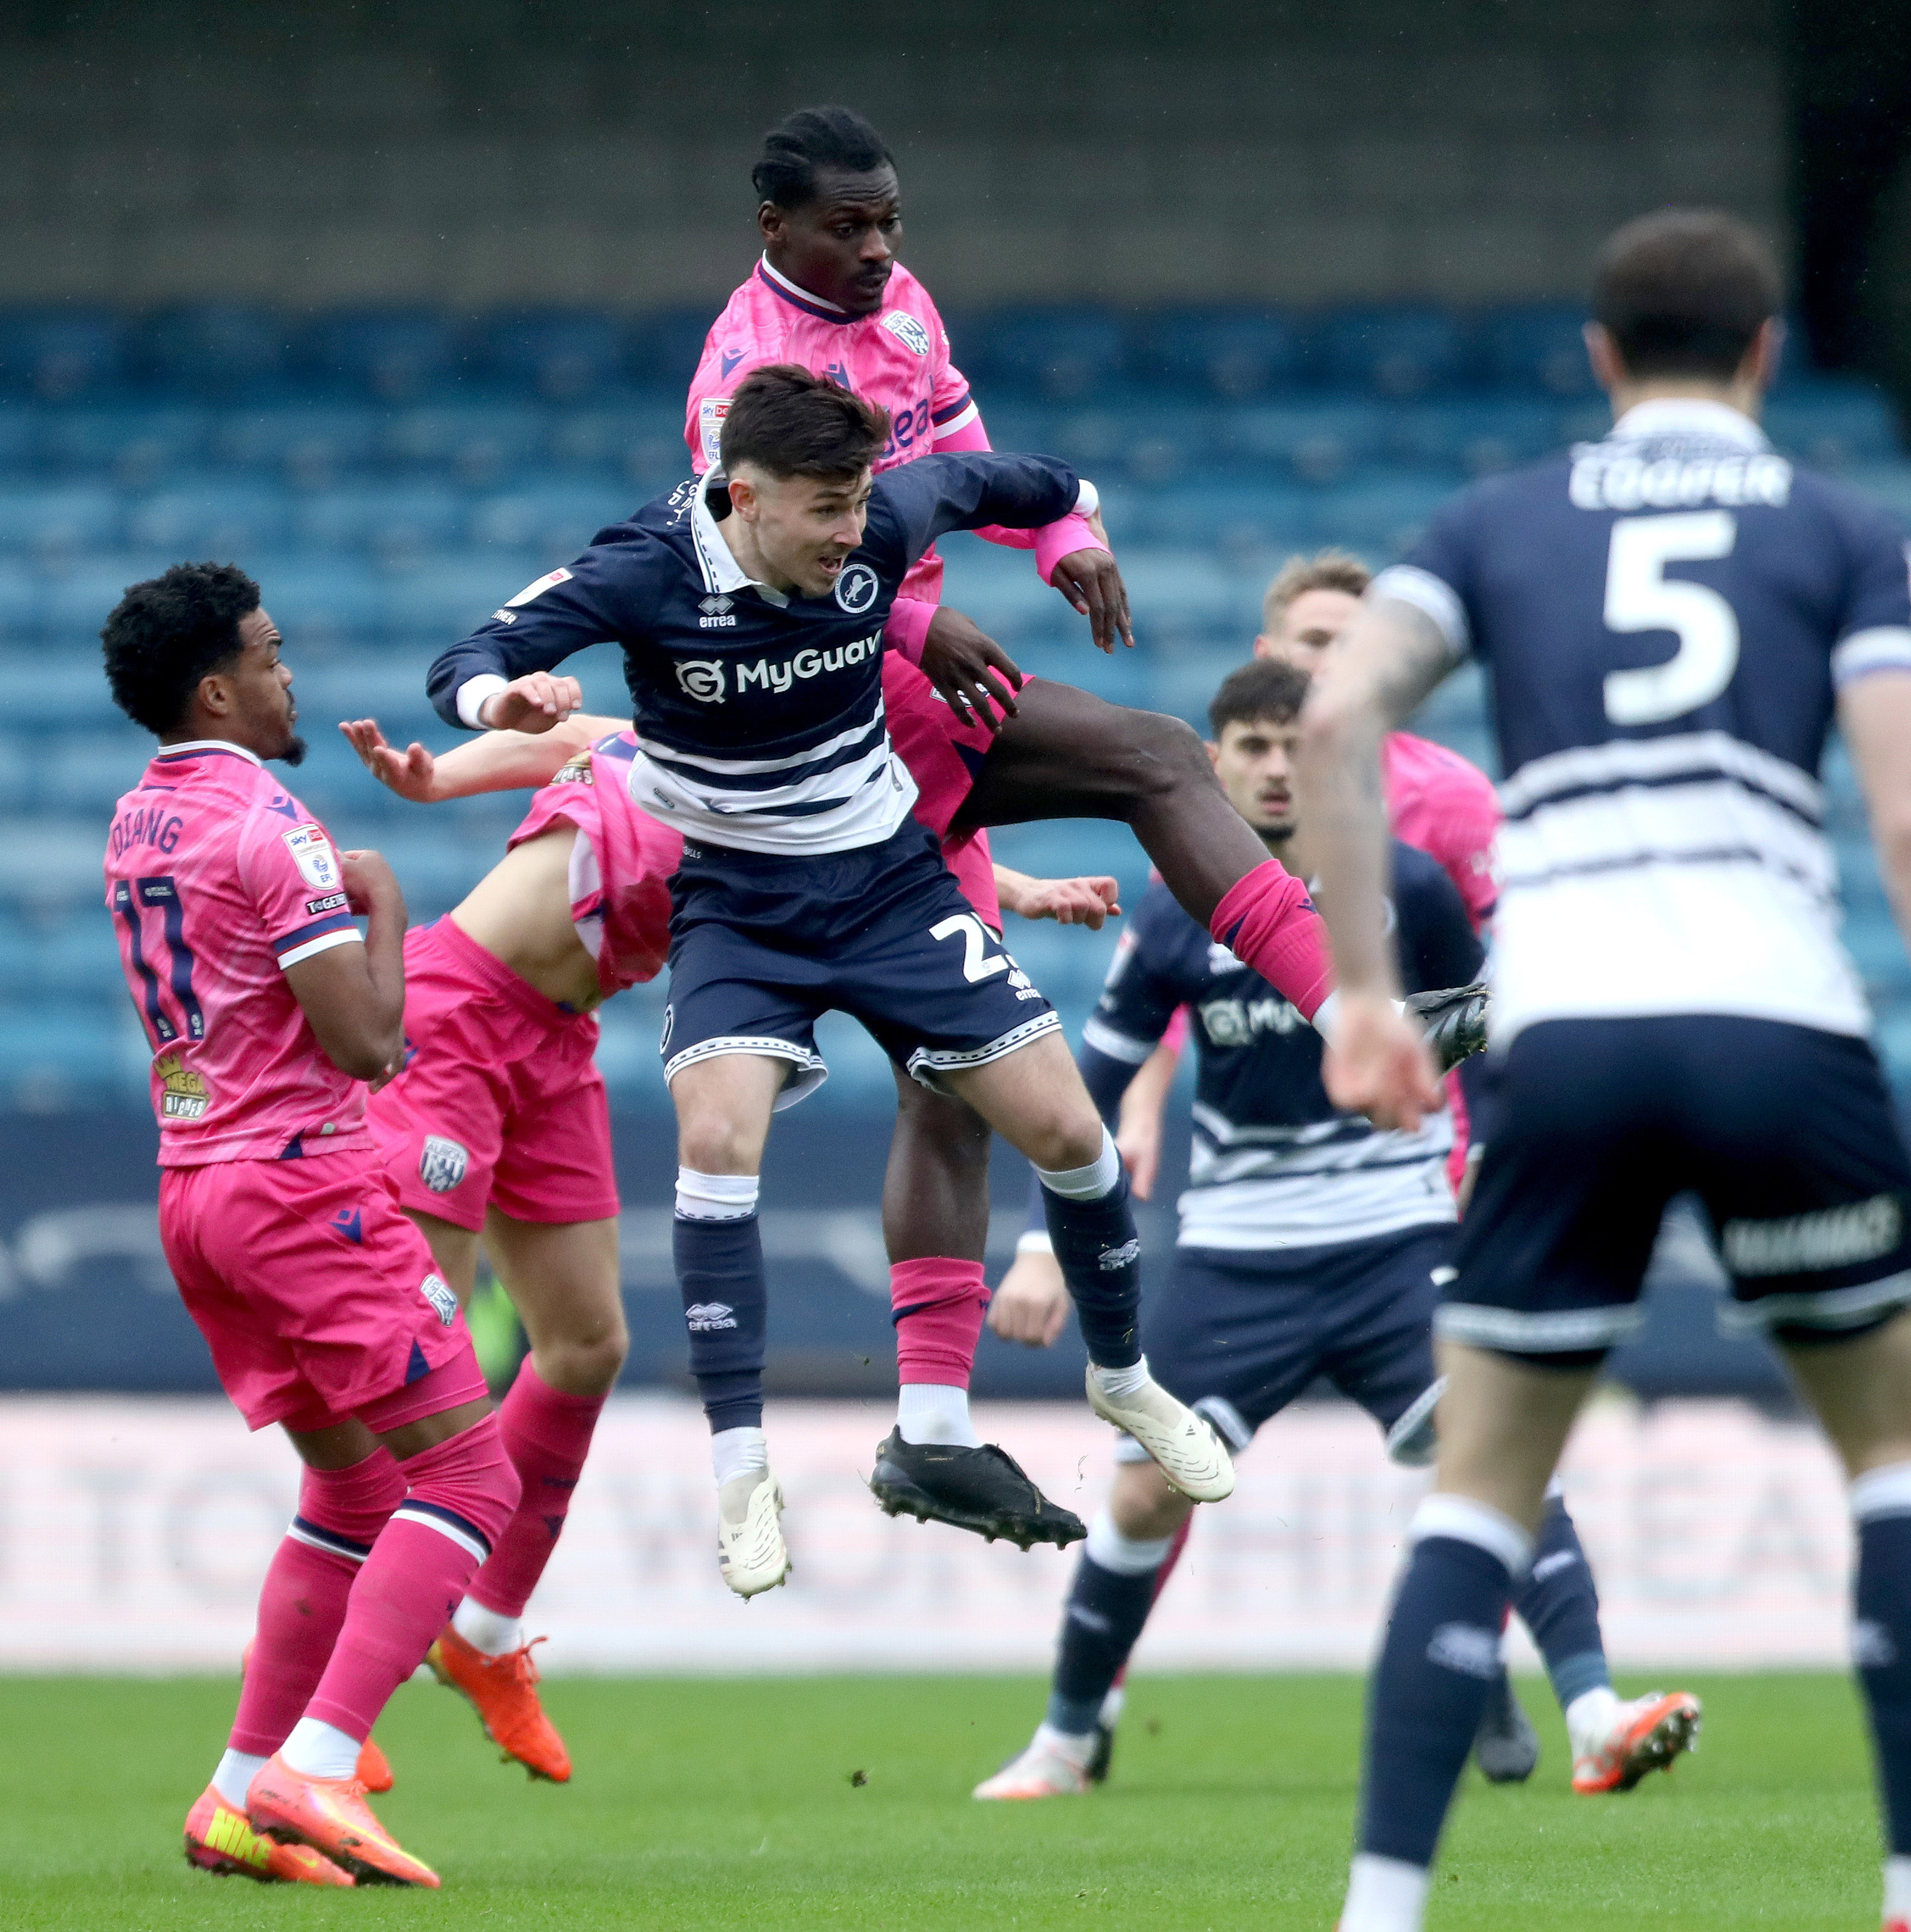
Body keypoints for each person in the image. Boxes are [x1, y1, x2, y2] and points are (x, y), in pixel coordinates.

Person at [1296, 210, 1911, 1932]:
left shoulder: (1493, 524)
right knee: (1900, 1454)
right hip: (1771, 1019)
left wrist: (1360, 991)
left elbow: (1337, 720)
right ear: (1766, 352)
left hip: (1559, 1030)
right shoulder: (1843, 532)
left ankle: (1377, 1907)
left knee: (1480, 1488)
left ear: (1596, 358)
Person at [429, 367, 1240, 1600]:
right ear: (741, 495)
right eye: (824, 510)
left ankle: (1122, 1376)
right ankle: (741, 1470)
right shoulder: (644, 564)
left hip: (887, 887)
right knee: (717, 1141)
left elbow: (992, 480)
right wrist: (509, 695)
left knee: (1069, 1129)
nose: (852, 534)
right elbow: (467, 658)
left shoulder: (882, 518)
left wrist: (1074, 517)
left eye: (859, 502)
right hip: (739, 910)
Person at [685, 107, 1343, 1539]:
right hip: (837, 723)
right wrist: (922, 624)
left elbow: (964, 449)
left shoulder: (900, 310)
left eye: (887, 224)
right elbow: (768, 564)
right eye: (845, 229)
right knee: (1159, 758)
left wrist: (1061, 536)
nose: (874, 251)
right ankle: (1351, 1020)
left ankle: (927, 1427)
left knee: (955, 1080)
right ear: (771, 233)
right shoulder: (746, 379)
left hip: (906, 726)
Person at [330, 703, 1122, 1764]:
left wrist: (1014, 890)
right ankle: (327, 1703)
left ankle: (484, 1631)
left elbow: (913, 849)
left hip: (553, 1042)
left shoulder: (827, 806)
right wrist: (438, 780)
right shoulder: (717, 742)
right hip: (456, 1021)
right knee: (423, 1386)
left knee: (585, 1345)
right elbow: (561, 739)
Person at [974, 662, 1691, 1802]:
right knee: (1142, 1493)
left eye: (1292, 744)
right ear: (1211, 763)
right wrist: (1028, 1244)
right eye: (1248, 747)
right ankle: (1068, 1740)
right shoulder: (1172, 908)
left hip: (1391, 1243)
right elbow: (1085, 1085)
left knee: (1497, 1452)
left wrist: (1504, 1184)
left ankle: (1597, 1711)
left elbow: (1493, 1056)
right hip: (1235, 1257)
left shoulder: (1411, 888)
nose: (1271, 766)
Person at [103, 562, 523, 1889]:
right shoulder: (269, 824)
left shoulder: (134, 821)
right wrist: (387, 913)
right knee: (469, 1477)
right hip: (300, 1185)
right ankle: (322, 1760)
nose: (292, 675)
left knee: (350, 1484)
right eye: (272, 655)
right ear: (219, 688)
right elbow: (369, 1042)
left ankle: (233, 1798)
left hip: (194, 1190)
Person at [1098, 551, 1503, 1201]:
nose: (1333, 663)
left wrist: (1483, 1141)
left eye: (1353, 645)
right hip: (1264, 1158)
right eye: (1315, 642)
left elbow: (1495, 973)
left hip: (1415, 1147)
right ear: (1267, 652)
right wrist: (1142, 1112)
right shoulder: (1209, 814)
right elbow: (1163, 976)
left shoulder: (1454, 796)